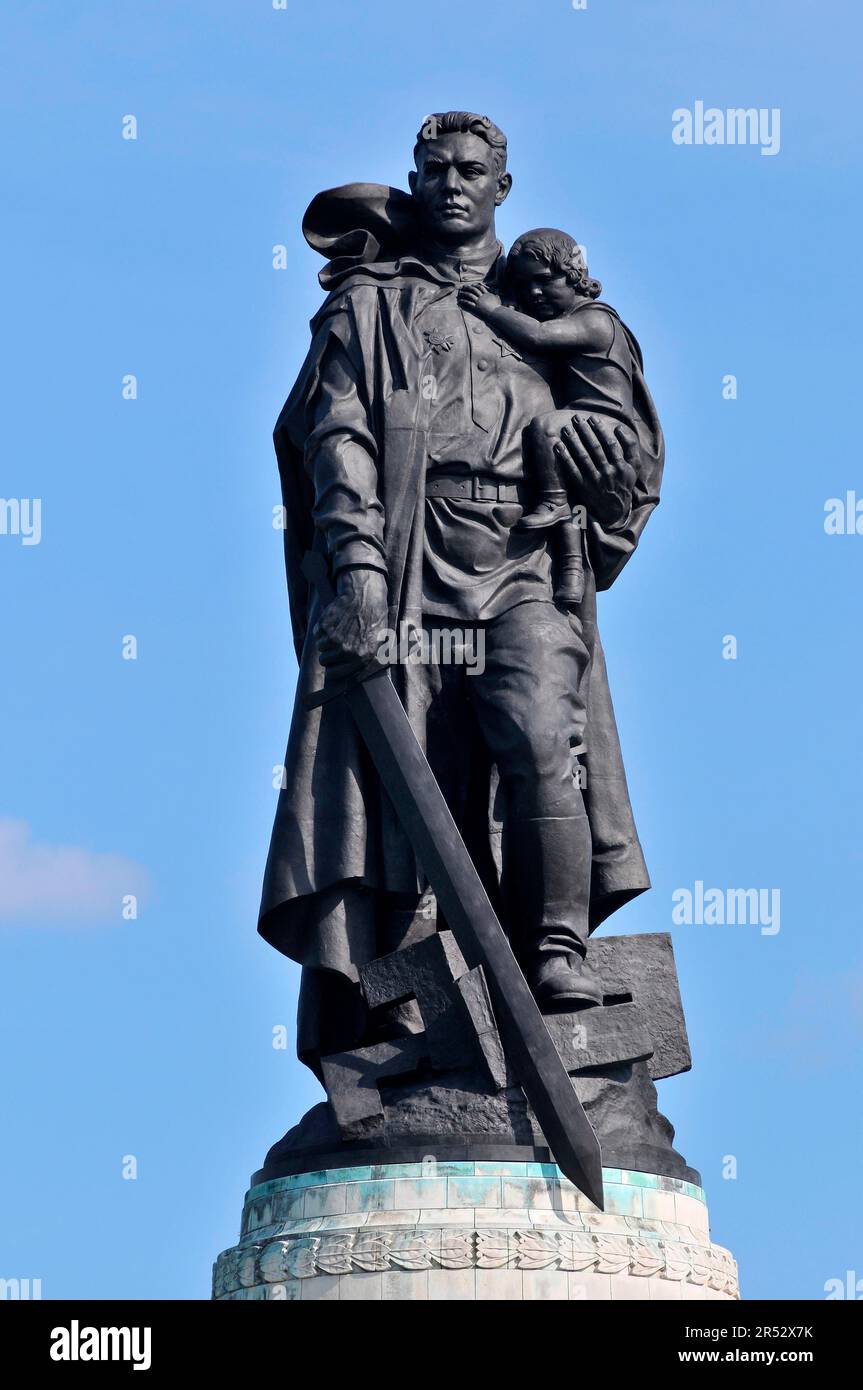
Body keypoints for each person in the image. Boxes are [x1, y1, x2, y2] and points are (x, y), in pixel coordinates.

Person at [260, 112, 664, 1076]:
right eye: (435, 169)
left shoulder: (551, 306)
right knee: (408, 793)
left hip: (524, 558)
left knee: (536, 737)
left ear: (501, 187)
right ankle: (414, 1001)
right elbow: (335, 436)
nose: (451, 184)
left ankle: (553, 954)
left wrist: (607, 478)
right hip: (406, 560)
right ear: (416, 176)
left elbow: (630, 452)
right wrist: (355, 568)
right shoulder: (370, 305)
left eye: (471, 171)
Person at [457, 228, 641, 609]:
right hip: (584, 424)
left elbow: (539, 336)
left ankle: (553, 501)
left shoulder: (596, 321)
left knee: (545, 425)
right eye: (526, 286)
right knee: (573, 503)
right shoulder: (576, 317)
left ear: (574, 275)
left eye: (544, 282)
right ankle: (571, 571)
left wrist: (491, 310)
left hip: (605, 424)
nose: (534, 294)